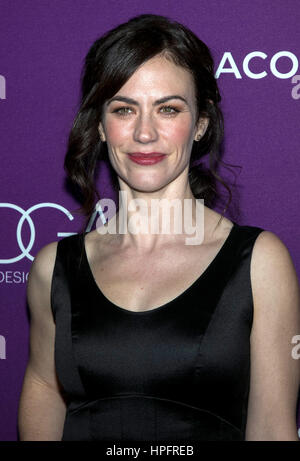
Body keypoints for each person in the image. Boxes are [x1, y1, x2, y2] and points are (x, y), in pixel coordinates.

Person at [18, 14, 300, 441]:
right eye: (124, 109)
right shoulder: (54, 268)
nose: (145, 133)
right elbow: (43, 396)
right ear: (99, 124)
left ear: (201, 123)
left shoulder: (258, 262)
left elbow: (273, 429)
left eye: (168, 109)